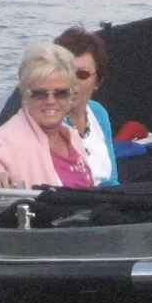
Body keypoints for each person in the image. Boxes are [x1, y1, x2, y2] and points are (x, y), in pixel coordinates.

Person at [0, 44, 97, 199]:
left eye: (60, 93)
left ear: (70, 95)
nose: (50, 101)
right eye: (40, 94)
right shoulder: (8, 138)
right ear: (25, 96)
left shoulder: (71, 135)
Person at [54, 26, 119, 185]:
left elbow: (111, 180)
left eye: (81, 75)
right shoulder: (46, 118)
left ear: (98, 80)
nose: (71, 83)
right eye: (65, 72)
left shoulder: (98, 112)